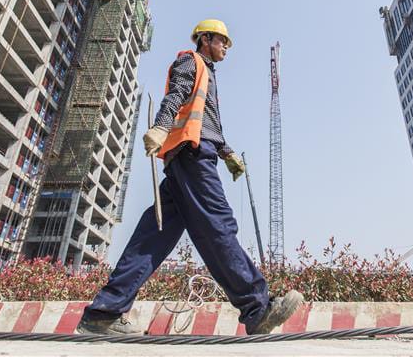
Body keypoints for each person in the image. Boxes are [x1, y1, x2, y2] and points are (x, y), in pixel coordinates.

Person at [77, 19, 303, 336]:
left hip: (189, 156)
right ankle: (257, 307)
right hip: (192, 155)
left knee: (153, 237)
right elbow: (176, 95)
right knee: (218, 224)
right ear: (205, 39)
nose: (226, 47)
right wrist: (160, 126)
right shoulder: (191, 61)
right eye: (222, 40)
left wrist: (227, 153)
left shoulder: (209, 74)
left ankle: (103, 313)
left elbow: (206, 122)